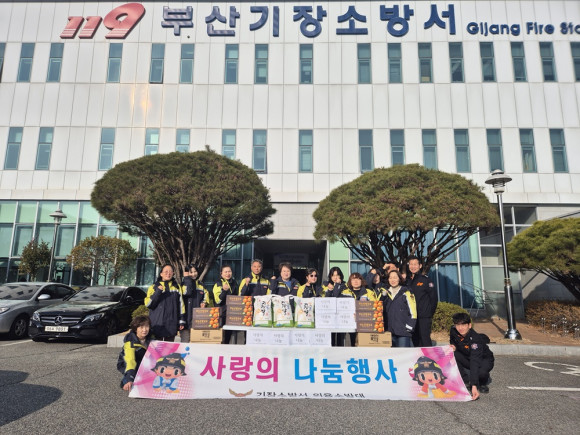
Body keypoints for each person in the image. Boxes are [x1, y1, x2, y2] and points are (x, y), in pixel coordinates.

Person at [450, 312, 494, 400]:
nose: (460, 328)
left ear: (469, 325)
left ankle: (482, 382)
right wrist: (453, 346)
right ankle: (465, 381)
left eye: (463, 325)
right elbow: (452, 340)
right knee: (452, 354)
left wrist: (474, 386)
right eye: (457, 325)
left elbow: (475, 361)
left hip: (483, 359)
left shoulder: (475, 339)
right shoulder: (453, 330)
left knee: (481, 373)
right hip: (468, 356)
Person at [145, 264, 186, 341]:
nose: (168, 273)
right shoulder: (154, 286)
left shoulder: (177, 287)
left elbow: (181, 305)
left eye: (170, 271)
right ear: (161, 274)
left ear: (173, 273)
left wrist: (181, 320)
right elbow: (148, 304)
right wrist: (158, 291)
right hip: (157, 324)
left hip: (171, 324)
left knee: (169, 347)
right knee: (156, 347)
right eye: (166, 272)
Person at [335, 272, 377, 346]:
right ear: (350, 281)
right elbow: (336, 298)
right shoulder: (345, 292)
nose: (356, 281)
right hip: (348, 323)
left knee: (362, 345)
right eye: (353, 279)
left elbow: (375, 307)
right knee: (349, 344)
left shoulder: (368, 292)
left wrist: (361, 315)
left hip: (364, 324)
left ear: (361, 281)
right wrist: (338, 284)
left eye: (358, 279)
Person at [405, 256, 437, 347]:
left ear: (420, 266)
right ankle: (418, 356)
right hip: (411, 317)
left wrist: (428, 313)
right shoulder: (407, 281)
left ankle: (428, 356)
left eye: (415, 264)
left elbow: (433, 299)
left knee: (425, 339)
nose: (413, 266)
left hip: (423, 317)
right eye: (411, 264)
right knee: (415, 339)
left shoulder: (425, 280)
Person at [117, 315, 152, 392]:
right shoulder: (130, 343)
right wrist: (129, 379)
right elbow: (130, 361)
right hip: (127, 364)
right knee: (133, 379)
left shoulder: (151, 338)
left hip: (142, 362)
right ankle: (125, 381)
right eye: (141, 327)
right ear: (136, 328)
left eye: (147, 326)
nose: (144, 330)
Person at [383, 270, 417, 347]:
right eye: (390, 278)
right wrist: (383, 296)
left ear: (399, 278)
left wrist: (410, 326)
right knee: (393, 354)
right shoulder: (385, 293)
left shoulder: (406, 292)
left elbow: (413, 311)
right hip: (389, 331)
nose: (392, 280)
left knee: (403, 352)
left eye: (395, 277)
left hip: (403, 331)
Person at [181, 264, 209, 343]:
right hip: (186, 318)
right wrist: (187, 279)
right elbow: (187, 292)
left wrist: (204, 302)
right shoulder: (183, 284)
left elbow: (206, 296)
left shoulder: (201, 284)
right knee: (185, 342)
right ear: (187, 273)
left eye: (195, 271)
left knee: (196, 342)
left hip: (198, 319)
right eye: (191, 272)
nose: (193, 274)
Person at [213, 265, 238, 344]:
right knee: (219, 338)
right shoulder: (218, 283)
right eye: (225, 272)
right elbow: (218, 301)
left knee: (228, 336)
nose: (228, 274)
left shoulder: (234, 282)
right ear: (221, 273)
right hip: (221, 314)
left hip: (231, 314)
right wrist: (224, 290)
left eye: (229, 271)